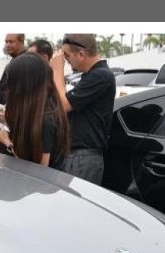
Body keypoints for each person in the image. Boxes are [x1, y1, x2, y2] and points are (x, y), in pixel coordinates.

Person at [50, 33, 116, 184]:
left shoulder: (101, 75)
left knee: (73, 200)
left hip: (83, 157)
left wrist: (57, 70)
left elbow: (63, 105)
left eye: (67, 56)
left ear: (81, 54)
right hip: (79, 156)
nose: (66, 61)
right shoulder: (92, 75)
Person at [0, 53, 70, 169]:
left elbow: (39, 169)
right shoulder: (41, 110)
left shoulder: (46, 120)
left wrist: (7, 141)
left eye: (12, 83)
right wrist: (7, 119)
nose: (9, 89)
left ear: (23, 86)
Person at [0, 33, 27, 104]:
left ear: (21, 42)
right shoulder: (15, 61)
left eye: (11, 42)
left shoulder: (25, 62)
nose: (7, 45)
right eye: (6, 42)